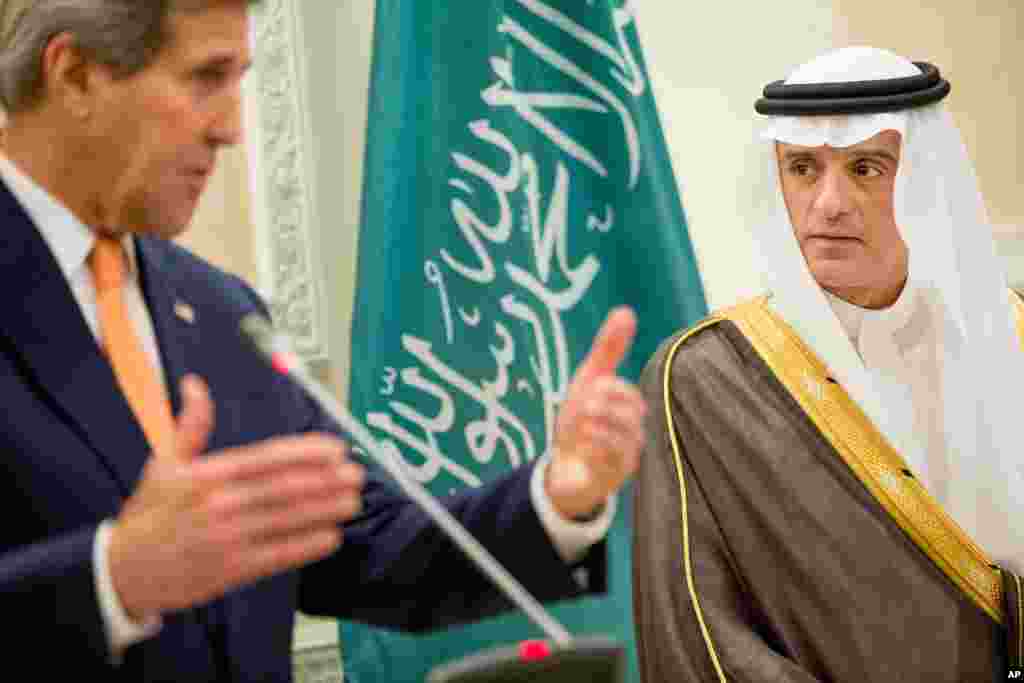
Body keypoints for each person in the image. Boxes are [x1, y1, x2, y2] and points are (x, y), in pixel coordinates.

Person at [0, 1, 649, 680]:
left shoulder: (223, 313)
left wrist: (558, 495)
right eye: (204, 77)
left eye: (239, 80)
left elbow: (373, 545)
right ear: (74, 76)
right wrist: (113, 578)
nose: (230, 127)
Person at [632, 45, 1024, 682]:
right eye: (803, 169)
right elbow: (702, 640)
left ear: (926, 180)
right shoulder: (708, 378)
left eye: (867, 168)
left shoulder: (1012, 341)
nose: (829, 204)